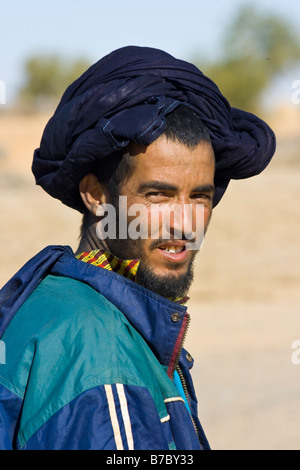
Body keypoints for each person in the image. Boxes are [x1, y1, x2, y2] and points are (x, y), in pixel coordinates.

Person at [0, 46, 276, 450]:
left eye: (200, 197)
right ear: (95, 195)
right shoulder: (103, 358)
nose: (185, 224)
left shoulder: (53, 297)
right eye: (158, 196)